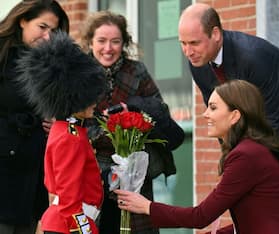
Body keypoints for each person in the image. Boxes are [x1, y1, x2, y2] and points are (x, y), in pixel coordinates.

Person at [178, 3, 279, 220]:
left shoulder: (254, 56)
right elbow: (221, 120)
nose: (188, 51)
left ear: (215, 34)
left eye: (194, 42)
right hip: (268, 128)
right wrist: (232, 173)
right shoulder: (198, 62)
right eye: (183, 44)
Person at [115, 80, 279, 234]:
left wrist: (147, 206)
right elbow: (256, 217)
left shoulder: (246, 156)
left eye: (213, 107)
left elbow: (201, 216)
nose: (205, 114)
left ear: (235, 116)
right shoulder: (251, 150)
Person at [80, 11, 185, 234]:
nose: (108, 48)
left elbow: (159, 109)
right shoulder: (79, 74)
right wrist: (107, 130)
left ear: (124, 43)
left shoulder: (136, 71)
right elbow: (70, 120)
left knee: (137, 228)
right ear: (90, 41)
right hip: (92, 173)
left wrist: (134, 110)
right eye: (101, 41)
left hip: (135, 172)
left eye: (115, 41)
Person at [15, 31, 107, 234]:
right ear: (76, 97)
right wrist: (83, 231)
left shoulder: (65, 129)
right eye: (91, 97)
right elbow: (69, 197)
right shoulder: (70, 137)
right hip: (69, 226)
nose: (95, 102)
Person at [0, 1, 69, 233]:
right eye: (42, 27)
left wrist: (55, 122)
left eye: (53, 31)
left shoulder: (50, 63)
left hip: (33, 178)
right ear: (22, 20)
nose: (47, 36)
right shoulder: (2, 54)